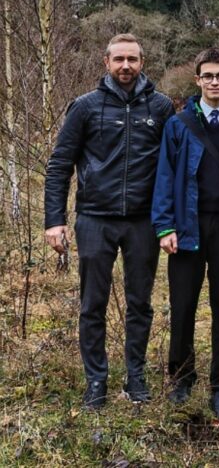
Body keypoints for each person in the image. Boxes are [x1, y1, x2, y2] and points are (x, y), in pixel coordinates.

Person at [44, 33, 175, 409]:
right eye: (118, 59)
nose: (125, 66)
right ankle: (96, 381)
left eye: (132, 59)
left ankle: (136, 378)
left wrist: (173, 220)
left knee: (140, 303)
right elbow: (59, 165)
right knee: (92, 304)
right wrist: (55, 220)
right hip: (94, 219)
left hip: (142, 222)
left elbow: (175, 166)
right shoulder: (85, 107)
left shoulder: (162, 107)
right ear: (106, 62)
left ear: (142, 61)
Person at [152, 46, 219, 419]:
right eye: (208, 76)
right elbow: (164, 176)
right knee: (182, 307)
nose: (215, 82)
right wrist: (164, 226)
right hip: (186, 227)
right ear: (197, 80)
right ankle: (181, 379)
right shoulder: (179, 124)